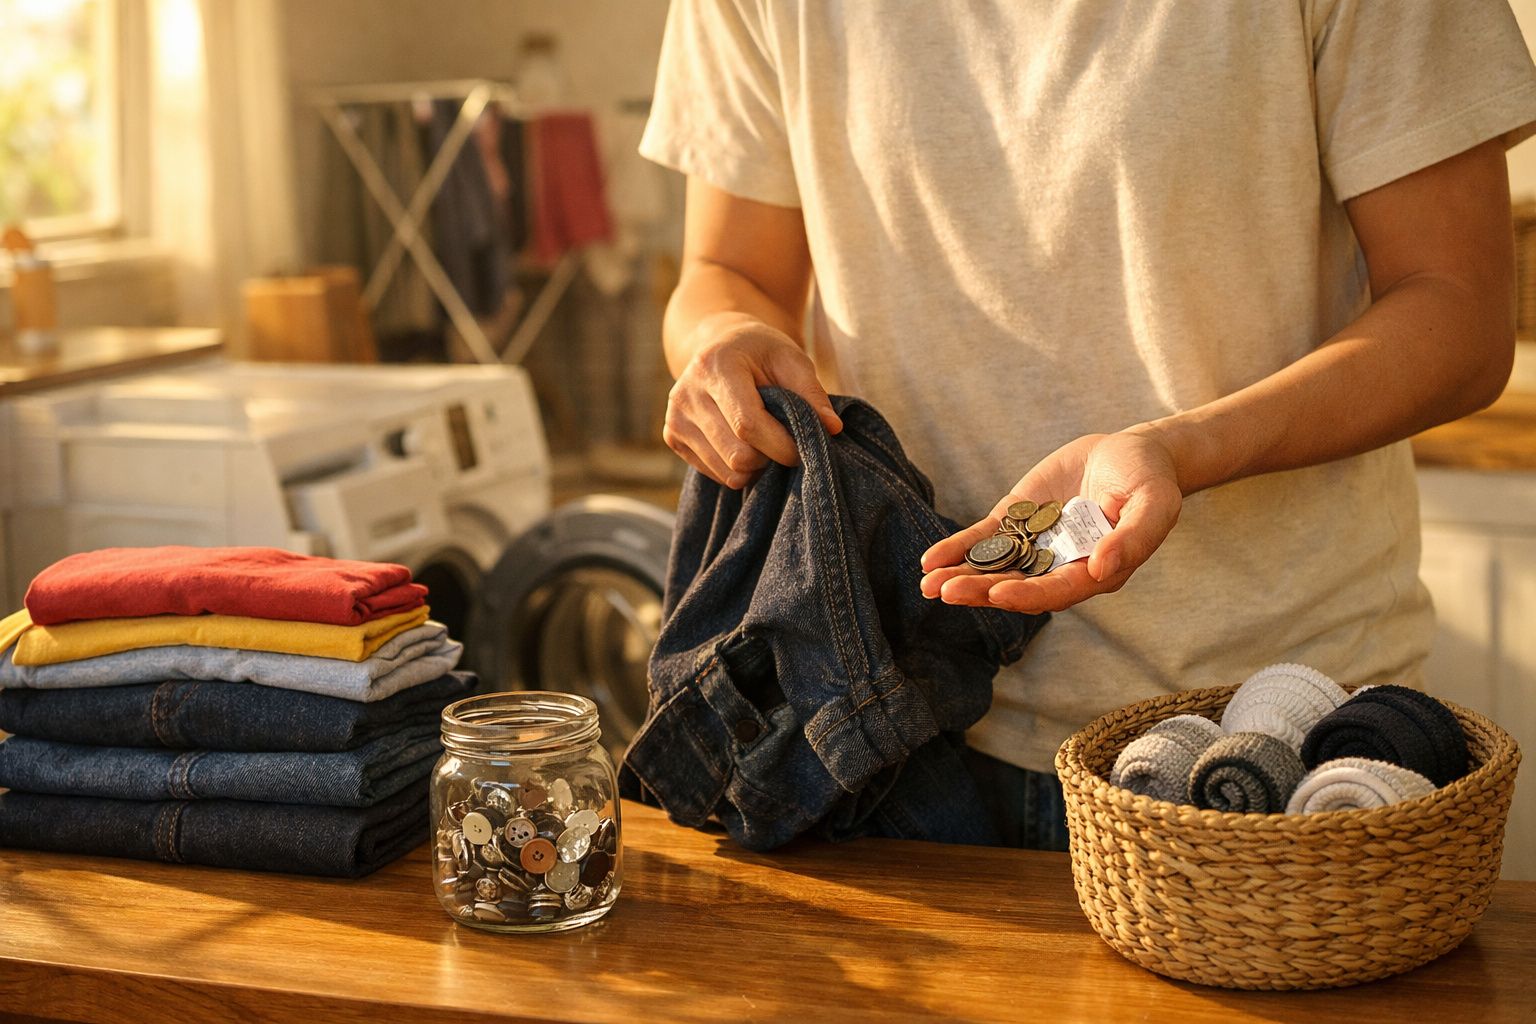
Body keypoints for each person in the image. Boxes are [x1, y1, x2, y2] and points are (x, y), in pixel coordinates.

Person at [639, 0, 1536, 848]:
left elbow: (1458, 314)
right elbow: (725, 269)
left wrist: (1181, 450)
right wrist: (722, 338)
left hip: (1265, 737)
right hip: (881, 721)